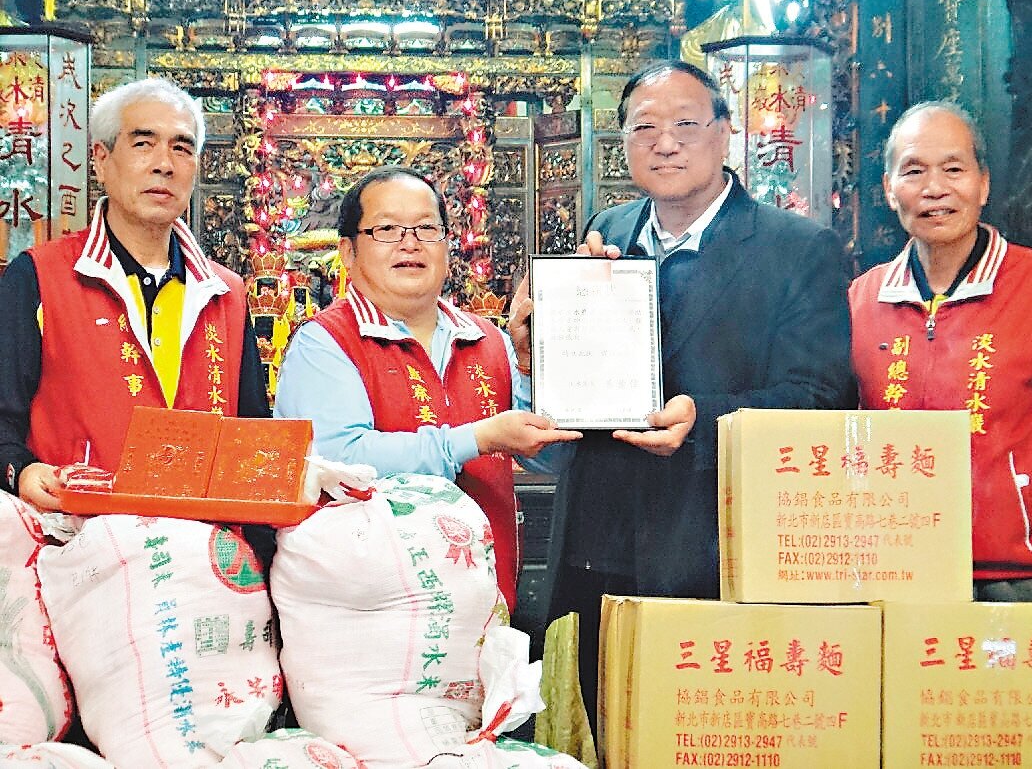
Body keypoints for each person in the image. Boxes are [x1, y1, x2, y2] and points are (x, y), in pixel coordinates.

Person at [507, 60, 854, 718]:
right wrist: (536, 352)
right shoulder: (607, 233)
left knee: (699, 733)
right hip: (597, 537)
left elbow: (821, 399)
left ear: (725, 133)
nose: (664, 143)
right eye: (644, 128)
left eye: (685, 125)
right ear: (623, 142)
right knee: (598, 726)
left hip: (712, 544)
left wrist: (702, 418)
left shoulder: (796, 248)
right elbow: (580, 377)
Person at [272, 165, 581, 611]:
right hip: (367, 611)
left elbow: (551, 458)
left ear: (447, 245)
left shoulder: (488, 340)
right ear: (348, 251)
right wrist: (477, 439)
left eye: (426, 229)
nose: (410, 243)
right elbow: (337, 457)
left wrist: (532, 368)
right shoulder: (324, 342)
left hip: (485, 603)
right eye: (387, 229)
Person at [0, 76, 269, 505]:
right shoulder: (39, 277)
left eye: (182, 148)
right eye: (143, 143)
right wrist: (22, 469)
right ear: (101, 160)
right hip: (73, 530)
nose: (164, 164)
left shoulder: (226, 294)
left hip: (202, 536)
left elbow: (253, 433)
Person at [849, 101, 1032, 601]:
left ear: (984, 184)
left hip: (1018, 575)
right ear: (889, 189)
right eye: (914, 171)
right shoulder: (861, 299)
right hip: (895, 572)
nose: (934, 189)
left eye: (953, 169)